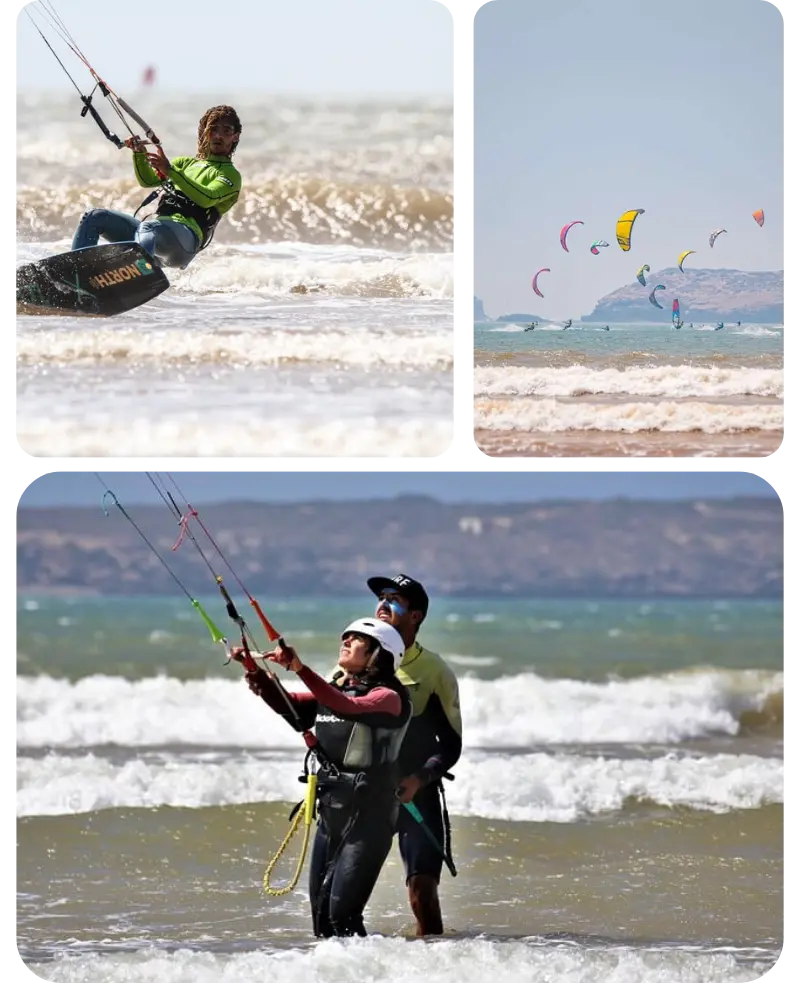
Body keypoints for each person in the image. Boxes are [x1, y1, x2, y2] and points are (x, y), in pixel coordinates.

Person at [238, 618, 411, 939]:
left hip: (369, 819)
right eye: (345, 637)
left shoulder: (389, 697)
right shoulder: (337, 689)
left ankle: (375, 971)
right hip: (332, 813)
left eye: (357, 639)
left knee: (342, 915)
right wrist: (254, 671)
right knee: (320, 919)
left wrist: (300, 668)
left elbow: (346, 706)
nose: (345, 642)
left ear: (379, 653)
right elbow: (290, 706)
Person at [363, 574, 463, 937]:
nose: (383, 604)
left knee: (422, 894)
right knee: (341, 896)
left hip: (414, 794)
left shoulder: (434, 671)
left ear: (416, 616)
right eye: (381, 597)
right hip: (364, 795)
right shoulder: (356, 662)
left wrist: (418, 779)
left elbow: (450, 745)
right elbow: (324, 715)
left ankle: (435, 965)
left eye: (395, 599)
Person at [71, 105, 243, 270]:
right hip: (154, 237)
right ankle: (77, 274)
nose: (218, 136)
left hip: (185, 241)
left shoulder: (230, 175)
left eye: (226, 131)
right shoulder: (184, 164)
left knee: (148, 227)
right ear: (205, 133)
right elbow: (148, 181)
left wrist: (171, 171)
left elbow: (207, 198)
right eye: (213, 130)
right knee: (94, 216)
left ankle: (136, 274)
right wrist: (139, 153)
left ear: (235, 136)